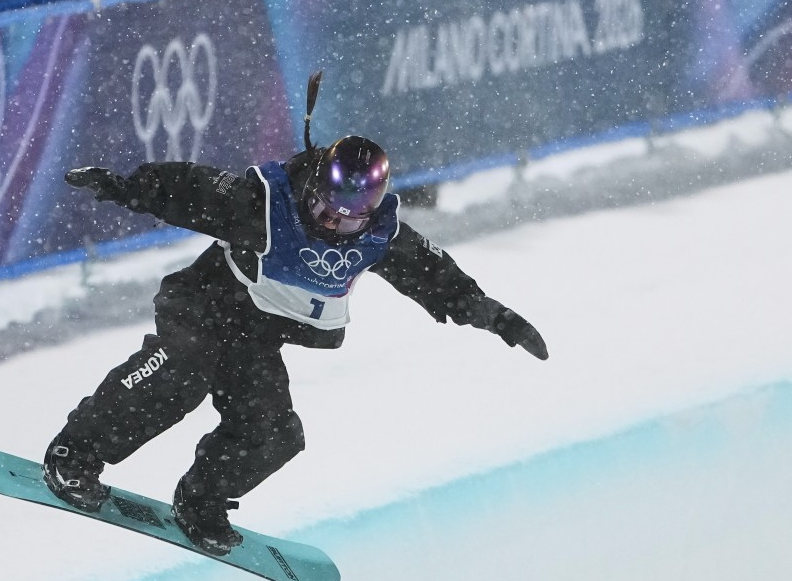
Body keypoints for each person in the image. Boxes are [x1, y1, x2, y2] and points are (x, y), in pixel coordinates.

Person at [43, 73, 548, 556]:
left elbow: (439, 279)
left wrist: (499, 318)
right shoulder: (265, 204)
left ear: (369, 213)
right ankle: (74, 453)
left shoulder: (380, 237)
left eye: (346, 219)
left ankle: (201, 499)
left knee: (274, 434)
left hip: (253, 336)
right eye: (324, 209)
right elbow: (189, 188)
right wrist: (126, 186)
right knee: (181, 375)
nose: (330, 223)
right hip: (204, 307)